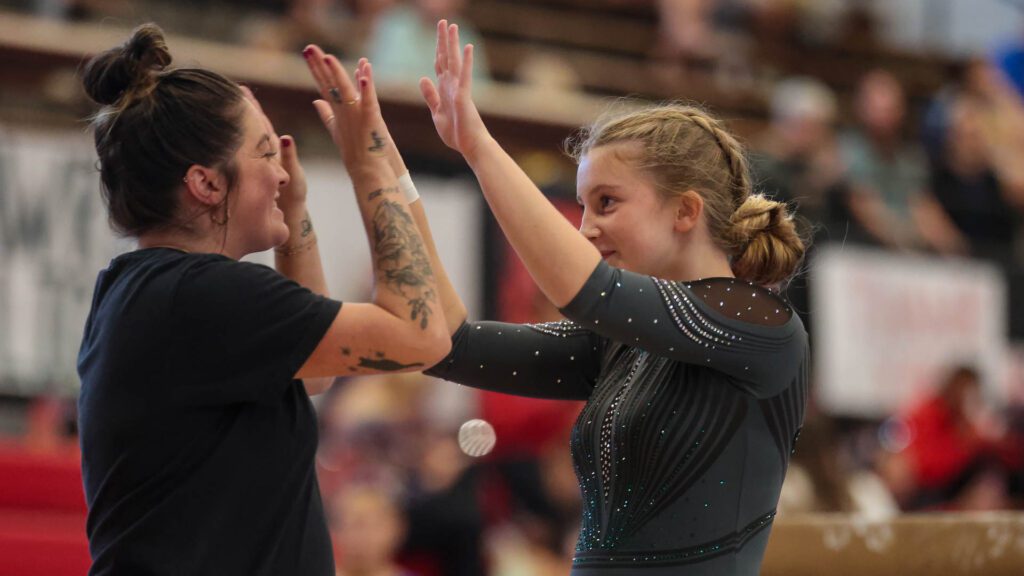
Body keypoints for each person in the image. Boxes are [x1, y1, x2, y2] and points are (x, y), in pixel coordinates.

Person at [382, 20, 809, 576]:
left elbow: (587, 293)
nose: (584, 230)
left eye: (606, 203)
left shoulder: (762, 327)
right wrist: (388, 176)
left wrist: (477, 146)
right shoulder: (620, 345)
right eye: (582, 207)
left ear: (685, 211)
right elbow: (446, 343)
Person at [75, 24, 450, 575]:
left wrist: (292, 213)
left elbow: (313, 375)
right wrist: (369, 165)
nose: (281, 172)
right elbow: (421, 337)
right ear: (206, 184)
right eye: (264, 153)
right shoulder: (200, 294)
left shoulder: (162, 290)